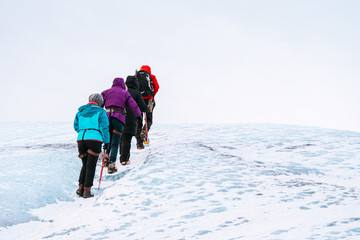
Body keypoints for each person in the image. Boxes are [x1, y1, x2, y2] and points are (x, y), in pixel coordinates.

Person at [101, 77, 141, 174]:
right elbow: (133, 105)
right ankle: (111, 165)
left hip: (107, 118)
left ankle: (106, 157)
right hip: (118, 118)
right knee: (115, 143)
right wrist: (138, 115)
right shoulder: (125, 93)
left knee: (108, 139)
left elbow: (99, 105)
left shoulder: (105, 92)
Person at [73, 93, 110, 198]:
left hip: (81, 139)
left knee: (84, 164)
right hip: (94, 139)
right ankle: (87, 191)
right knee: (91, 166)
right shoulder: (101, 111)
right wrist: (106, 142)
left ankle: (80, 188)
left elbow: (76, 126)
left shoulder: (80, 112)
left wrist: (82, 132)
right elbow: (104, 127)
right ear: (100, 102)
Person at [120, 76, 150, 165]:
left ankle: (121, 156)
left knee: (122, 138)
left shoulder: (123, 92)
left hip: (121, 117)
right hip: (131, 118)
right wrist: (147, 109)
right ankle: (124, 159)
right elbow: (142, 106)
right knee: (127, 139)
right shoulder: (136, 93)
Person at [135, 65, 159, 149]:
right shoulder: (151, 76)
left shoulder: (136, 75)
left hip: (138, 100)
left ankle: (139, 143)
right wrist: (152, 96)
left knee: (138, 120)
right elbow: (156, 87)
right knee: (149, 119)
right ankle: (144, 131)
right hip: (148, 100)